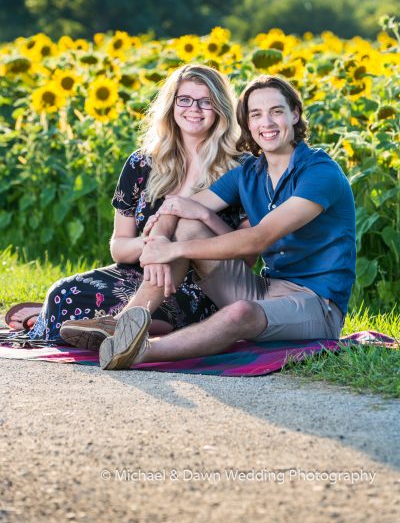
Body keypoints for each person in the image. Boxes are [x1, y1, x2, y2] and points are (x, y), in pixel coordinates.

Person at [62, 74, 356, 370]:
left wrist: (174, 251)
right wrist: (161, 239)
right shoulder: (250, 172)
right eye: (256, 114)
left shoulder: (320, 173)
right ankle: (122, 324)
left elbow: (259, 238)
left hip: (317, 304)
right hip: (266, 288)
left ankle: (138, 351)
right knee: (187, 227)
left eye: (276, 111)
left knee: (240, 312)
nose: (266, 123)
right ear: (247, 123)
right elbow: (177, 207)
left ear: (294, 114)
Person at [14, 64, 245, 346]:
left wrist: (176, 245)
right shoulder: (142, 163)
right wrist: (153, 247)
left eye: (206, 101)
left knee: (165, 311)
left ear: (220, 107)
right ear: (171, 105)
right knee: (63, 293)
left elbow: (247, 254)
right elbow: (119, 247)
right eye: (184, 99)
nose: (194, 109)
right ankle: (81, 322)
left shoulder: (240, 167)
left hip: (199, 285)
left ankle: (108, 327)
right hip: (138, 273)